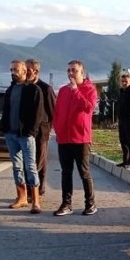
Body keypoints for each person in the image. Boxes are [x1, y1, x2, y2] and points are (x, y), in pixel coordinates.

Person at [52, 59, 98, 216]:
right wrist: (57, 128)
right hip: (64, 138)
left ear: (82, 73)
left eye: (74, 70)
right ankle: (66, 204)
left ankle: (90, 204)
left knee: (84, 172)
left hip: (81, 139)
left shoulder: (89, 89)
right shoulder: (63, 91)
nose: (71, 73)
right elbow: (57, 112)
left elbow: (89, 107)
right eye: (69, 70)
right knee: (66, 172)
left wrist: (75, 91)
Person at [1, 60, 44, 213]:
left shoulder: (34, 90)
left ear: (25, 71)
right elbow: (6, 110)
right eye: (11, 69)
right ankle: (22, 198)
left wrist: (30, 131)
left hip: (25, 136)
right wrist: (4, 128)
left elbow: (38, 115)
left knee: (30, 167)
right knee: (16, 167)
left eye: (16, 70)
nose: (13, 72)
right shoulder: (10, 90)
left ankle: (36, 201)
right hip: (11, 134)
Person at [25, 58, 56, 198]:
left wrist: (49, 130)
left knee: (39, 161)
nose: (26, 73)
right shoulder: (23, 86)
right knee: (27, 161)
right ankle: (28, 190)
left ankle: (39, 189)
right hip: (26, 131)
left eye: (28, 70)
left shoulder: (46, 89)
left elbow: (53, 111)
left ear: (36, 71)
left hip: (41, 132)